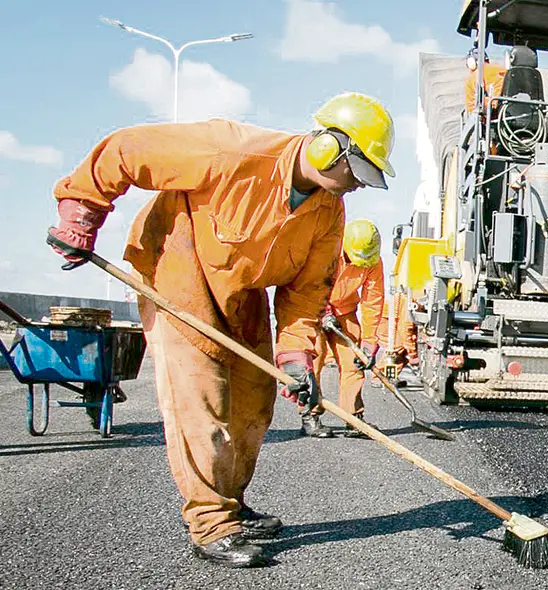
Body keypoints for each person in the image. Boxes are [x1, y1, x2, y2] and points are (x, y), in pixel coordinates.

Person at [46, 92, 395, 567]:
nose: (355, 186)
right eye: (355, 173)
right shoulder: (229, 151)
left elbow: (307, 291)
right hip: (179, 269)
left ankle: (232, 500)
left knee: (255, 399)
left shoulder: (328, 212)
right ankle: (210, 522)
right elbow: (127, 150)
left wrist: (297, 357)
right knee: (201, 400)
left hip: (241, 290)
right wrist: (82, 212)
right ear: (326, 148)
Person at [310, 219, 385, 439]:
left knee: (354, 361)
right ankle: (310, 415)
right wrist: (324, 310)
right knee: (314, 358)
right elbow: (311, 282)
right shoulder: (326, 248)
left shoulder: (372, 260)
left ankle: (353, 418)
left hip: (345, 312)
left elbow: (373, 301)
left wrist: (370, 342)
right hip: (314, 308)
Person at [463, 46, 507, 114]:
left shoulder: (472, 78)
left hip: (491, 113)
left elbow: (471, 107)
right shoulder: (502, 70)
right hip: (508, 109)